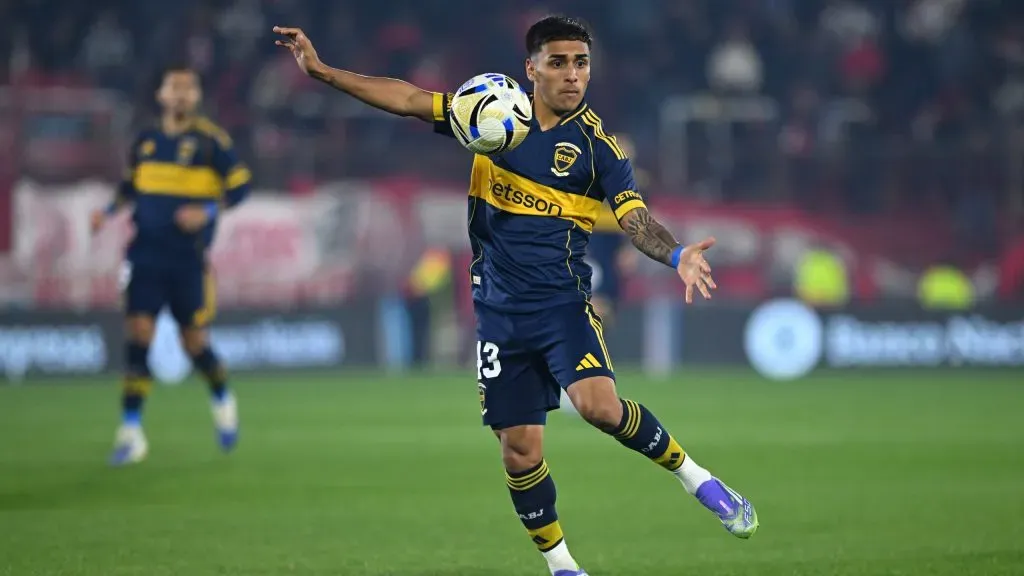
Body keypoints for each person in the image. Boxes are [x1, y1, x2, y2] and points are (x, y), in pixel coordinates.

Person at [273, 16, 757, 575]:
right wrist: (323, 71)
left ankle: (697, 479)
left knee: (598, 407)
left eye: (581, 63)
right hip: (498, 312)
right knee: (520, 451)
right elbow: (407, 98)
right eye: (559, 62)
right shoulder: (487, 114)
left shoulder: (598, 149)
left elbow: (634, 217)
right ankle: (564, 567)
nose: (573, 75)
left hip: (562, 305)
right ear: (532, 69)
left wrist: (678, 255)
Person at [90, 65, 251, 466]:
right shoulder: (145, 141)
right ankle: (131, 432)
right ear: (161, 95)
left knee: (193, 342)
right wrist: (107, 211)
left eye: (188, 88)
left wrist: (208, 210)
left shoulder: (212, 142)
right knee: (138, 334)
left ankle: (223, 401)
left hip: (187, 259)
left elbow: (242, 186)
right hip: (144, 254)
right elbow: (131, 186)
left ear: (196, 97)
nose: (180, 95)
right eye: (174, 88)